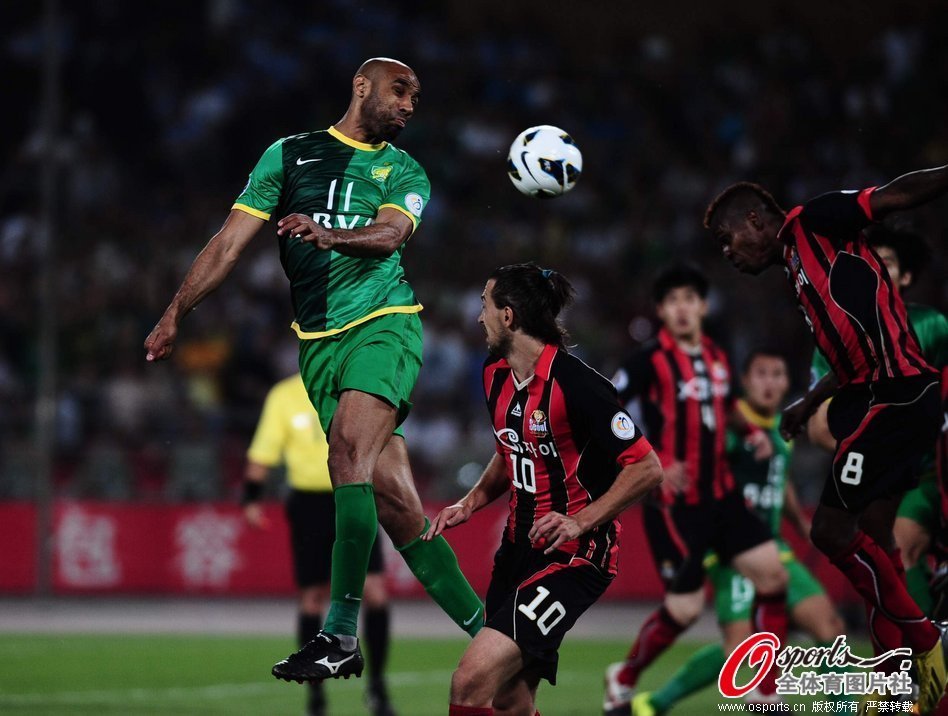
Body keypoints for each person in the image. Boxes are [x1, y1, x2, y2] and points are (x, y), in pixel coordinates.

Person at [144, 57, 484, 684]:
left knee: (345, 457)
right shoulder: (289, 155)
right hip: (318, 345)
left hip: (385, 323)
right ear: (361, 86)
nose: (410, 104)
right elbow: (227, 244)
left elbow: (387, 236)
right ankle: (494, 634)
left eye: (417, 97)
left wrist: (326, 235)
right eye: (399, 90)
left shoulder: (404, 170)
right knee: (398, 506)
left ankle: (338, 634)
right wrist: (175, 312)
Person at [704, 165, 948, 713]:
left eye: (727, 239)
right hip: (890, 398)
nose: (727, 252)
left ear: (754, 220)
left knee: (831, 531)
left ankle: (926, 638)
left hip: (896, 397)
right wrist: (807, 403)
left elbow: (894, 196)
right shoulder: (796, 268)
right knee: (876, 540)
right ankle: (894, 690)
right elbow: (846, 354)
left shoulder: (814, 220)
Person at [425, 263, 663, 716]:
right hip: (518, 551)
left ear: (509, 316)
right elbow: (510, 450)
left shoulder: (580, 385)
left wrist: (580, 521)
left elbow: (646, 467)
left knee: (469, 679)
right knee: (510, 699)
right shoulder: (495, 374)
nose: (479, 317)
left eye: (484, 305)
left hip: (575, 556)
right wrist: (470, 502)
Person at [602, 266, 790, 715]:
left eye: (690, 299)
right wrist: (657, 461)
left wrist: (752, 434)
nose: (682, 308)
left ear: (703, 307)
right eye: (673, 301)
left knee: (773, 576)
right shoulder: (646, 362)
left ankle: (765, 689)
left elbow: (725, 410)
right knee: (685, 611)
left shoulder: (718, 357)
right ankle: (624, 675)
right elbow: (606, 410)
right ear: (662, 311)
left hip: (722, 495)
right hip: (674, 505)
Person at [631, 349, 845, 716]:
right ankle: (654, 702)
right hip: (733, 554)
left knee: (830, 627)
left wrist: (803, 527)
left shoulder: (782, 427)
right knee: (742, 646)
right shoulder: (727, 427)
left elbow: (780, 483)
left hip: (776, 551)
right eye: (760, 373)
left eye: (777, 374)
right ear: (744, 382)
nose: (769, 382)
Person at [806, 228, 948, 620]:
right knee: (883, 556)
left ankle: (917, 656)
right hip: (873, 472)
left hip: (928, 473)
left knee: (896, 548)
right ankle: (902, 665)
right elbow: (819, 426)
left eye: (886, 263)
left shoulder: (933, 325)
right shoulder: (837, 333)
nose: (876, 271)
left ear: (905, 277)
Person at [244, 372, 396, 716]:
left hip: (354, 496)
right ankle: (314, 692)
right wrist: (251, 496)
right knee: (312, 596)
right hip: (310, 503)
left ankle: (377, 686)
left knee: (375, 593)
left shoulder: (356, 385)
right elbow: (264, 450)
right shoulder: (284, 395)